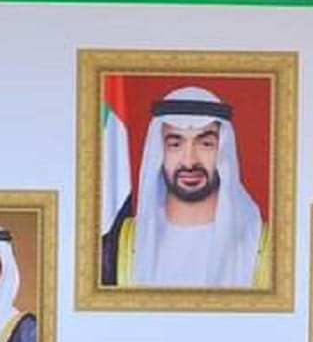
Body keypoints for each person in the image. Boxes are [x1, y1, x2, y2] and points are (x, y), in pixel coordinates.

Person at [101, 86, 266, 288]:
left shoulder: (261, 245)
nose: (189, 161)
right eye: (175, 144)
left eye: (205, 144)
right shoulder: (118, 248)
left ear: (223, 152)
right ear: (159, 152)